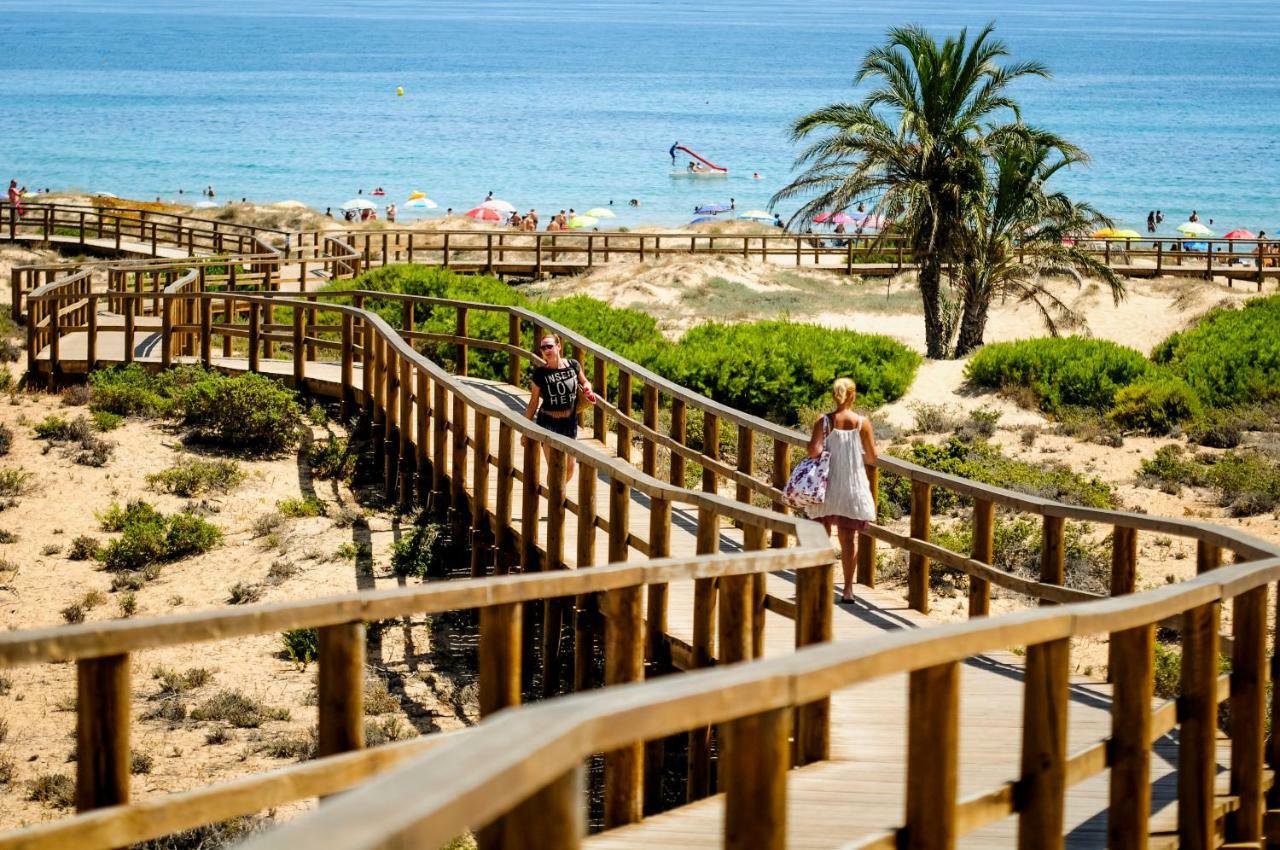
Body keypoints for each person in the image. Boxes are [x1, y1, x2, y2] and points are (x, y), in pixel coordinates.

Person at [805, 378, 877, 603]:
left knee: (822, 535)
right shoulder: (861, 423)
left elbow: (813, 452)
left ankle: (821, 583)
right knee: (848, 539)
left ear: (835, 396)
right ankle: (847, 590)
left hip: (825, 486)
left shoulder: (824, 421)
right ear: (852, 396)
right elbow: (873, 457)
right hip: (850, 485)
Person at [522, 333, 594, 481]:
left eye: (549, 346)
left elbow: (585, 381)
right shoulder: (540, 373)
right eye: (543, 348)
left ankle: (553, 494)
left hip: (569, 423)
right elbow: (533, 402)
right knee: (555, 468)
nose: (546, 350)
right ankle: (553, 500)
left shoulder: (573, 365)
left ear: (559, 346)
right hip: (548, 424)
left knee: (570, 468)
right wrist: (525, 431)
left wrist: (588, 388)